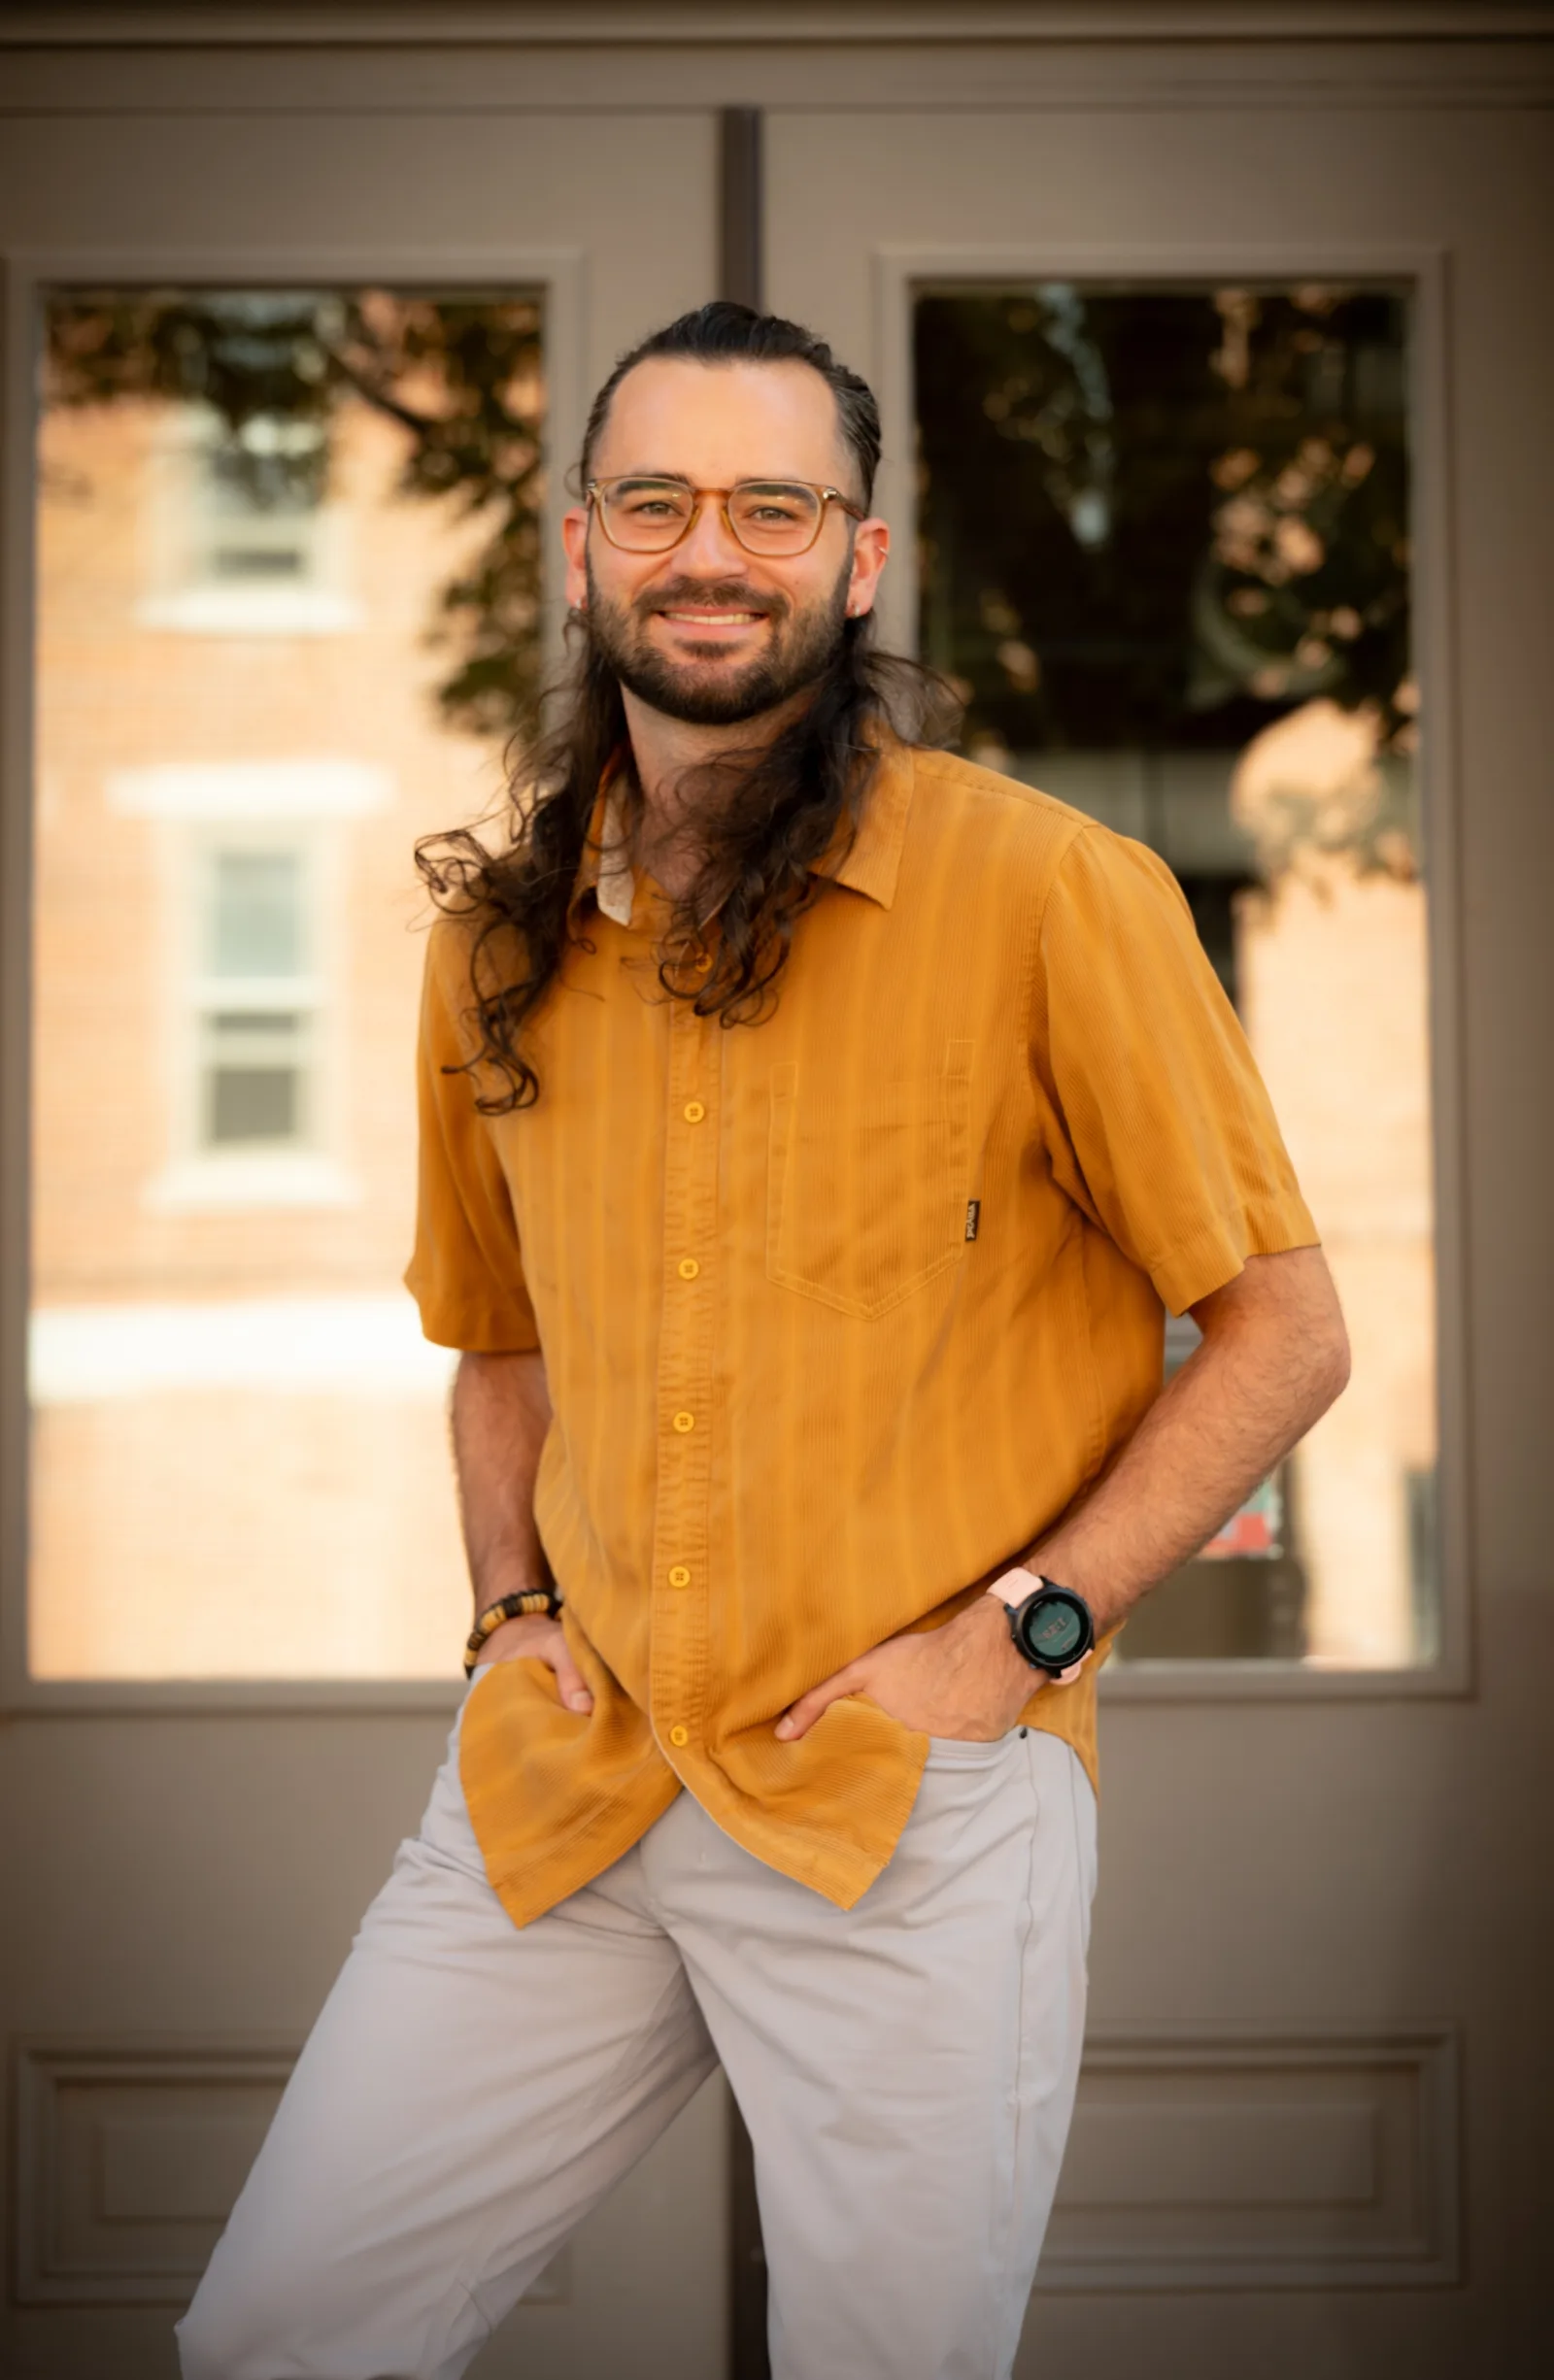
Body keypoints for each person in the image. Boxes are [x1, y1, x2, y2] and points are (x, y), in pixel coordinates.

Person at [178, 302, 1349, 2380]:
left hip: (906, 1801)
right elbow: (499, 1344)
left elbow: (1278, 1332)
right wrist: (504, 1607)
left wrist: (1019, 1644)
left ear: (858, 555)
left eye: (770, 505)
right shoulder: (498, 948)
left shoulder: (1050, 896)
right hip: (574, 1780)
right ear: (576, 545)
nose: (706, 550)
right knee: (279, 2332)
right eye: (654, 500)